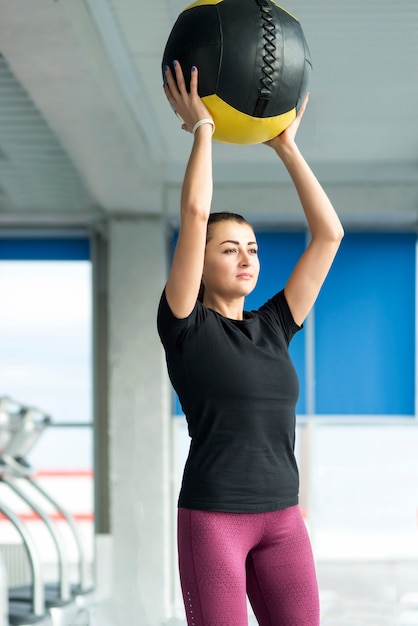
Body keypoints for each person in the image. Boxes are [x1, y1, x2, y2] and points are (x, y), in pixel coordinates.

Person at [157, 60, 344, 626]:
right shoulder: (184, 324)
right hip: (214, 519)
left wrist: (287, 147)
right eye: (228, 248)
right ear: (201, 260)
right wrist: (204, 130)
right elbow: (194, 213)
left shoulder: (274, 325)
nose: (246, 258)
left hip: (283, 520)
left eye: (253, 249)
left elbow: (329, 235)